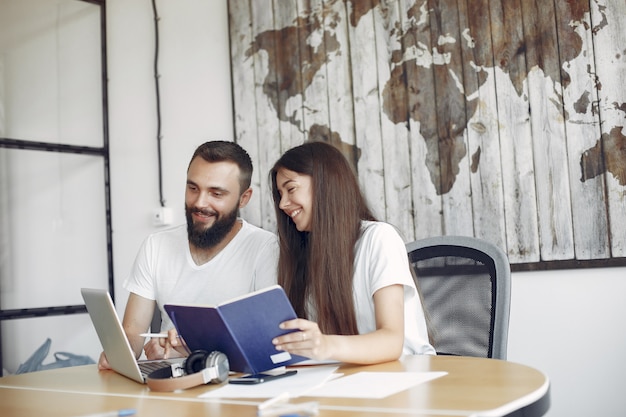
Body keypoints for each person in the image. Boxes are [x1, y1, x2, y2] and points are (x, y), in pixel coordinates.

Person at [98, 140, 278, 370]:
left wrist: (193, 347)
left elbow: (268, 340)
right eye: (193, 188)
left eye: (216, 193)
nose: (200, 203)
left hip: (235, 379)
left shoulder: (265, 248)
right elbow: (133, 331)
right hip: (169, 380)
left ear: (244, 198)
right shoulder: (156, 246)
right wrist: (120, 353)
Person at [269, 141, 435, 364]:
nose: (283, 204)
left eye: (290, 189)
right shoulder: (303, 253)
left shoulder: (379, 238)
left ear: (325, 185)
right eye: (280, 194)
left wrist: (326, 345)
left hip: (405, 376)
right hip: (347, 379)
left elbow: (392, 340)